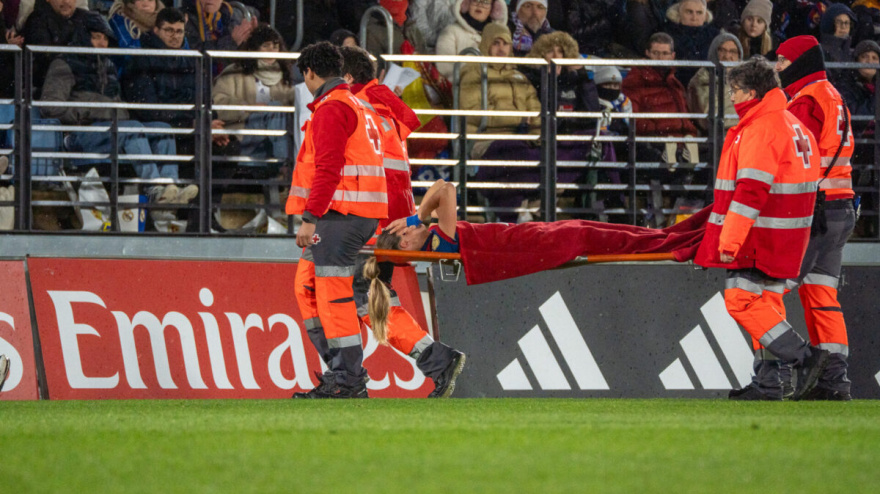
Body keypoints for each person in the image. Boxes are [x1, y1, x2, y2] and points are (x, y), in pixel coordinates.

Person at [294, 46, 467, 399]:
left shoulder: (351, 105)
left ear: (348, 78)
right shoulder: (382, 106)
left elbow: (343, 168)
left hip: (361, 219)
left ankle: (346, 376)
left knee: (343, 295)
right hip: (382, 218)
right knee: (366, 299)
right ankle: (421, 363)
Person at [694, 57, 829, 401]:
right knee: (767, 305)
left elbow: (751, 189)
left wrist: (730, 238)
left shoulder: (760, 128)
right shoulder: (791, 124)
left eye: (735, 90)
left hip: (758, 234)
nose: (733, 97)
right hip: (787, 235)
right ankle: (770, 384)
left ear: (752, 92)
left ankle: (805, 357)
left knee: (740, 301)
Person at [285, 41, 387, 399]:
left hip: (339, 215)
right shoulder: (357, 104)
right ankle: (343, 373)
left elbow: (329, 168)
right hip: (358, 213)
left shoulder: (332, 108)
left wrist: (310, 218)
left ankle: (347, 381)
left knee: (333, 297)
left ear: (309, 73)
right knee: (307, 287)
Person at [373, 177, 710, 285]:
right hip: (547, 242)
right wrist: (417, 217)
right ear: (405, 238)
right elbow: (446, 189)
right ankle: (696, 234)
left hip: (542, 236)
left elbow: (442, 188)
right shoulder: (441, 243)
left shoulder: (435, 238)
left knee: (631, 236)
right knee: (630, 241)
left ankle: (696, 229)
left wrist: (419, 218)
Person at [773, 35, 857, 400]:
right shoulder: (834, 96)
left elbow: (795, 158)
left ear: (799, 62)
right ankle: (835, 381)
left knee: (766, 289)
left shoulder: (805, 102)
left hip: (813, 210)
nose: (777, 67)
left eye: (781, 60)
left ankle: (779, 372)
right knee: (822, 295)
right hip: (842, 207)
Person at [22, 0, 92, 95]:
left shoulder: (87, 19)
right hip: (48, 87)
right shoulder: (38, 20)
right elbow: (44, 57)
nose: (66, 1)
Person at [435, 0, 508, 79]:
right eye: (476, 0)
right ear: (466, 4)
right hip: (462, 87)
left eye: (486, 2)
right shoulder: (450, 32)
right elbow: (445, 70)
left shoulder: (500, 36)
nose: (480, 5)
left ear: (493, 8)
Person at [687, 33, 743, 133]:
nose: (727, 56)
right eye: (722, 50)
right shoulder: (702, 80)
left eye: (733, 52)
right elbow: (711, 119)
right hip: (721, 136)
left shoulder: (747, 80)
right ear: (713, 53)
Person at [663, 0, 720, 86]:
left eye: (699, 13)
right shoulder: (666, 32)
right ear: (679, 13)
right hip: (674, 83)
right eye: (689, 12)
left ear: (705, 15)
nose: (694, 17)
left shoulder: (716, 36)